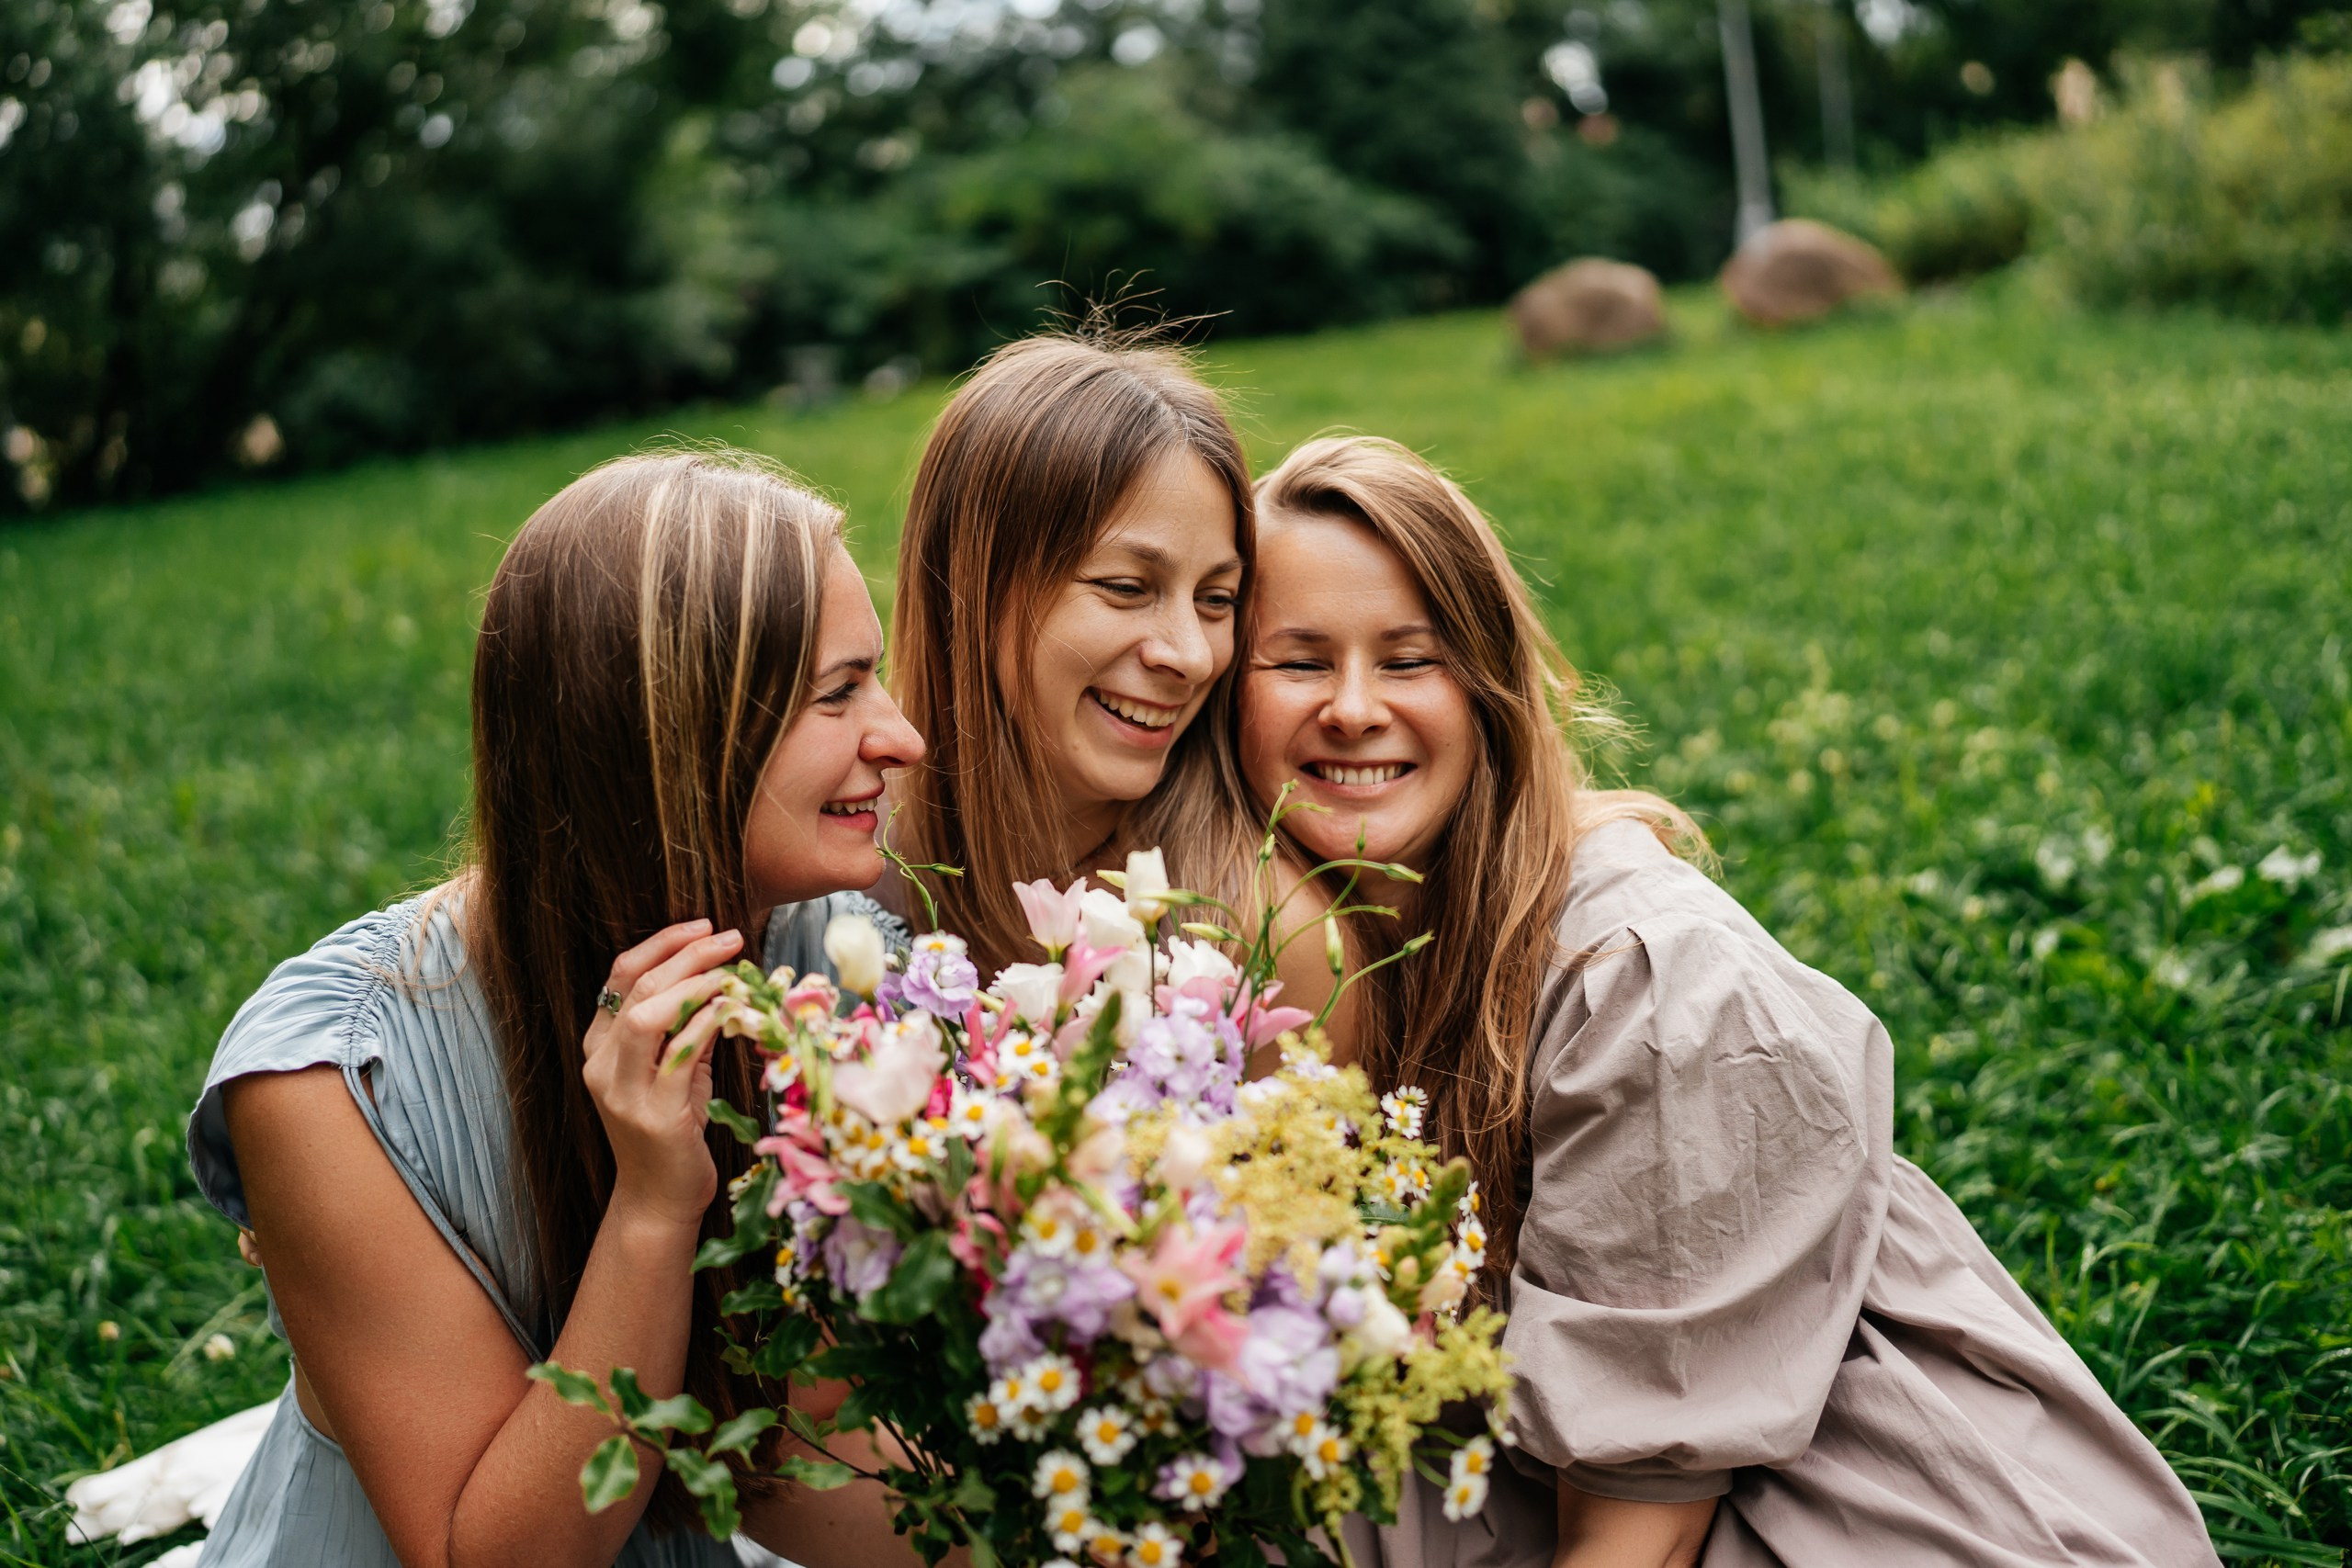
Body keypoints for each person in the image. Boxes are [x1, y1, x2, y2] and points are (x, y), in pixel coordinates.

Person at [1236, 435, 2221, 1568]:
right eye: (1297, 662)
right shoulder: (1293, 934)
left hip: (1813, 1501)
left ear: (1492, 689)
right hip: (1524, 1473)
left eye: (1411, 660)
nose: (1354, 709)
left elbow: (1636, 1522)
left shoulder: (1645, 975)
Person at [185, 450, 928, 1568]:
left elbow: (800, 1443)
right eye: (839, 693)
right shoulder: (323, 1084)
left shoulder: (829, 954)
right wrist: (652, 1208)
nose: (902, 735)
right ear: (662, 730)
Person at [884, 329, 1268, 976]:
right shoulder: (822, 874)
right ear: (974, 587)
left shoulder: (1243, 931)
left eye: (1216, 598)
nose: (1193, 656)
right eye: (1125, 587)